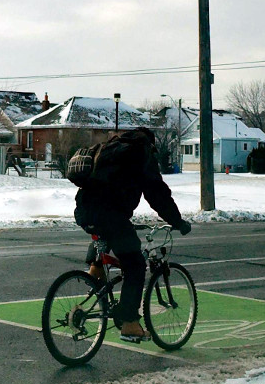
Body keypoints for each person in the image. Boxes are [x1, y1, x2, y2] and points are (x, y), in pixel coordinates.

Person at [74, 127, 191, 343]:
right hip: (110, 214)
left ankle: (95, 275)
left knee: (106, 232)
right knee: (135, 265)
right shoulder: (140, 152)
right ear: (150, 143)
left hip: (84, 211)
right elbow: (157, 194)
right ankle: (129, 324)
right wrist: (177, 221)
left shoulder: (109, 147)